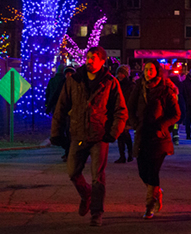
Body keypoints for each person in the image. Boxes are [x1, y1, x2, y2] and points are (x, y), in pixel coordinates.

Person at [50, 47, 128, 226]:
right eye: (88, 57)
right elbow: (61, 107)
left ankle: (96, 213)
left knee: (97, 177)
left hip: (99, 137)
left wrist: (113, 132)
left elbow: (120, 111)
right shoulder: (74, 80)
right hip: (77, 135)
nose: (90, 60)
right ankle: (87, 195)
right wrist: (56, 133)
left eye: (94, 58)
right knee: (72, 172)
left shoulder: (110, 82)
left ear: (102, 61)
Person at [127, 61, 180, 219]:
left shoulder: (165, 89)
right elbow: (130, 107)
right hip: (142, 135)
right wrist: (135, 123)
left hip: (158, 138)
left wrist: (162, 125)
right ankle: (157, 190)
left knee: (152, 171)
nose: (148, 72)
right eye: (146, 69)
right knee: (143, 172)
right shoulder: (139, 86)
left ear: (157, 71)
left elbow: (176, 114)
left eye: (151, 69)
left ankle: (149, 206)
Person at [46, 65, 74, 162]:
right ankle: (68, 152)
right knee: (62, 134)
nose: (69, 75)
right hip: (62, 112)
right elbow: (55, 96)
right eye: (67, 73)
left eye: (70, 73)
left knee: (70, 133)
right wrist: (48, 107)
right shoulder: (62, 84)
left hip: (72, 114)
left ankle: (69, 153)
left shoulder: (77, 85)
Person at [114, 65, 135, 164]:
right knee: (120, 134)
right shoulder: (115, 84)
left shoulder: (131, 86)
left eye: (122, 73)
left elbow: (132, 101)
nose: (120, 75)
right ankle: (123, 155)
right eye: (119, 73)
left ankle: (129, 154)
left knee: (124, 133)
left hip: (126, 112)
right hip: (118, 112)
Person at [168, 73, 187, 145]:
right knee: (175, 125)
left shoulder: (167, 88)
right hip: (176, 112)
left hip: (170, 112)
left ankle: (172, 138)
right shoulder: (179, 91)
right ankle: (175, 139)